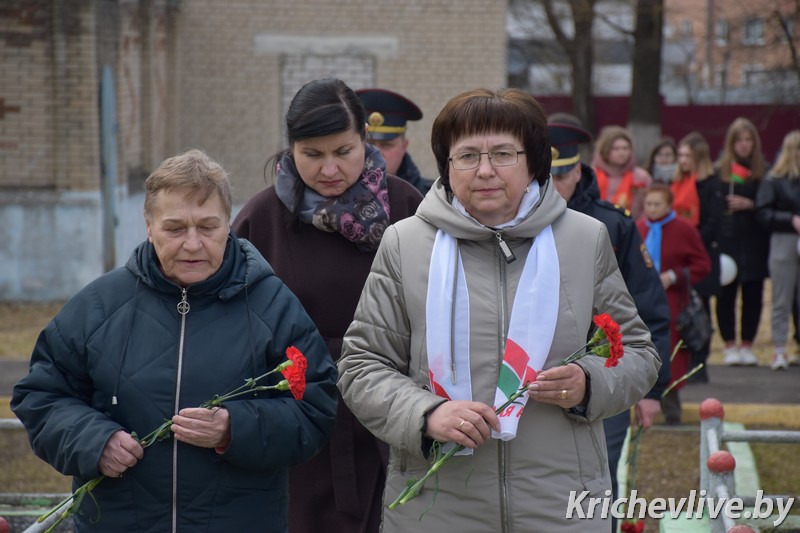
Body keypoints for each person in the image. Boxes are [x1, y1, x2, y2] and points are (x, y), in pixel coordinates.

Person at [337, 88, 660, 532]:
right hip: (436, 508)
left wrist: (590, 381)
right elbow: (361, 364)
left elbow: (639, 353)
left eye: (503, 153)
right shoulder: (405, 243)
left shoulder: (585, 239)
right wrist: (426, 414)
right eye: (467, 155)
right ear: (447, 166)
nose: (485, 170)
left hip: (561, 503)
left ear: (533, 162)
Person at [10, 149, 338, 532]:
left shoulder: (272, 305)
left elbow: (315, 410)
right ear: (148, 226)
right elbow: (40, 396)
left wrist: (235, 428)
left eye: (207, 227)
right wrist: (94, 441)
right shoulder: (100, 306)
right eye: (175, 228)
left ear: (228, 224)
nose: (193, 243)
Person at [232, 78, 423, 533]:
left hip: (396, 414)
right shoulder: (261, 219)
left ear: (365, 141)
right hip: (299, 420)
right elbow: (233, 324)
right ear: (291, 149)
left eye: (343, 151)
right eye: (312, 154)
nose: (330, 168)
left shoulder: (408, 206)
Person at [547, 116, 671, 525]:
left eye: (561, 174)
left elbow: (648, 307)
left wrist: (653, 389)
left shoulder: (612, 224)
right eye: (544, 175)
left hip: (604, 372)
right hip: (537, 375)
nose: (553, 185)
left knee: (598, 478)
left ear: (578, 171)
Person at [637, 184, 711, 424]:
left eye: (658, 204)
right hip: (641, 300)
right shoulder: (638, 228)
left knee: (669, 353)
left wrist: (675, 276)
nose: (652, 209)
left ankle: (671, 407)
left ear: (669, 205)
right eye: (649, 204)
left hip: (672, 303)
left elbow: (702, 265)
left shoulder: (683, 229)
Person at [715, 117, 770, 366]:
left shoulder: (765, 173)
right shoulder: (720, 172)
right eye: (739, 140)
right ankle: (729, 345)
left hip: (756, 243)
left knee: (753, 295)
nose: (744, 145)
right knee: (726, 295)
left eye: (748, 140)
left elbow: (770, 206)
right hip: (727, 242)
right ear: (731, 143)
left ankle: (748, 344)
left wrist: (751, 205)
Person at [671, 132, 725, 382]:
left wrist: (688, 244)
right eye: (679, 155)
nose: (681, 160)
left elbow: (714, 222)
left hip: (700, 257)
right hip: (678, 258)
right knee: (680, 311)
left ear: (698, 157)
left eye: (686, 156)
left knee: (700, 311)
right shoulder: (677, 182)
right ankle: (682, 362)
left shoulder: (711, 185)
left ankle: (699, 363)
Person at [755, 129, 800, 370]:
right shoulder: (774, 181)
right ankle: (779, 348)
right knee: (782, 297)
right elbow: (763, 212)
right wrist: (789, 219)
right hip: (784, 240)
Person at [357, 87, 434, 194]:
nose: (376, 153)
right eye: (369, 144)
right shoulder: (334, 195)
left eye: (386, 145)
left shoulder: (430, 199)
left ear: (404, 146)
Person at [591, 125, 653, 220]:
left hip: (632, 228)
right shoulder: (591, 174)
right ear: (605, 150)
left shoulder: (641, 177)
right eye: (616, 149)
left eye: (625, 148)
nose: (622, 152)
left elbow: (649, 208)